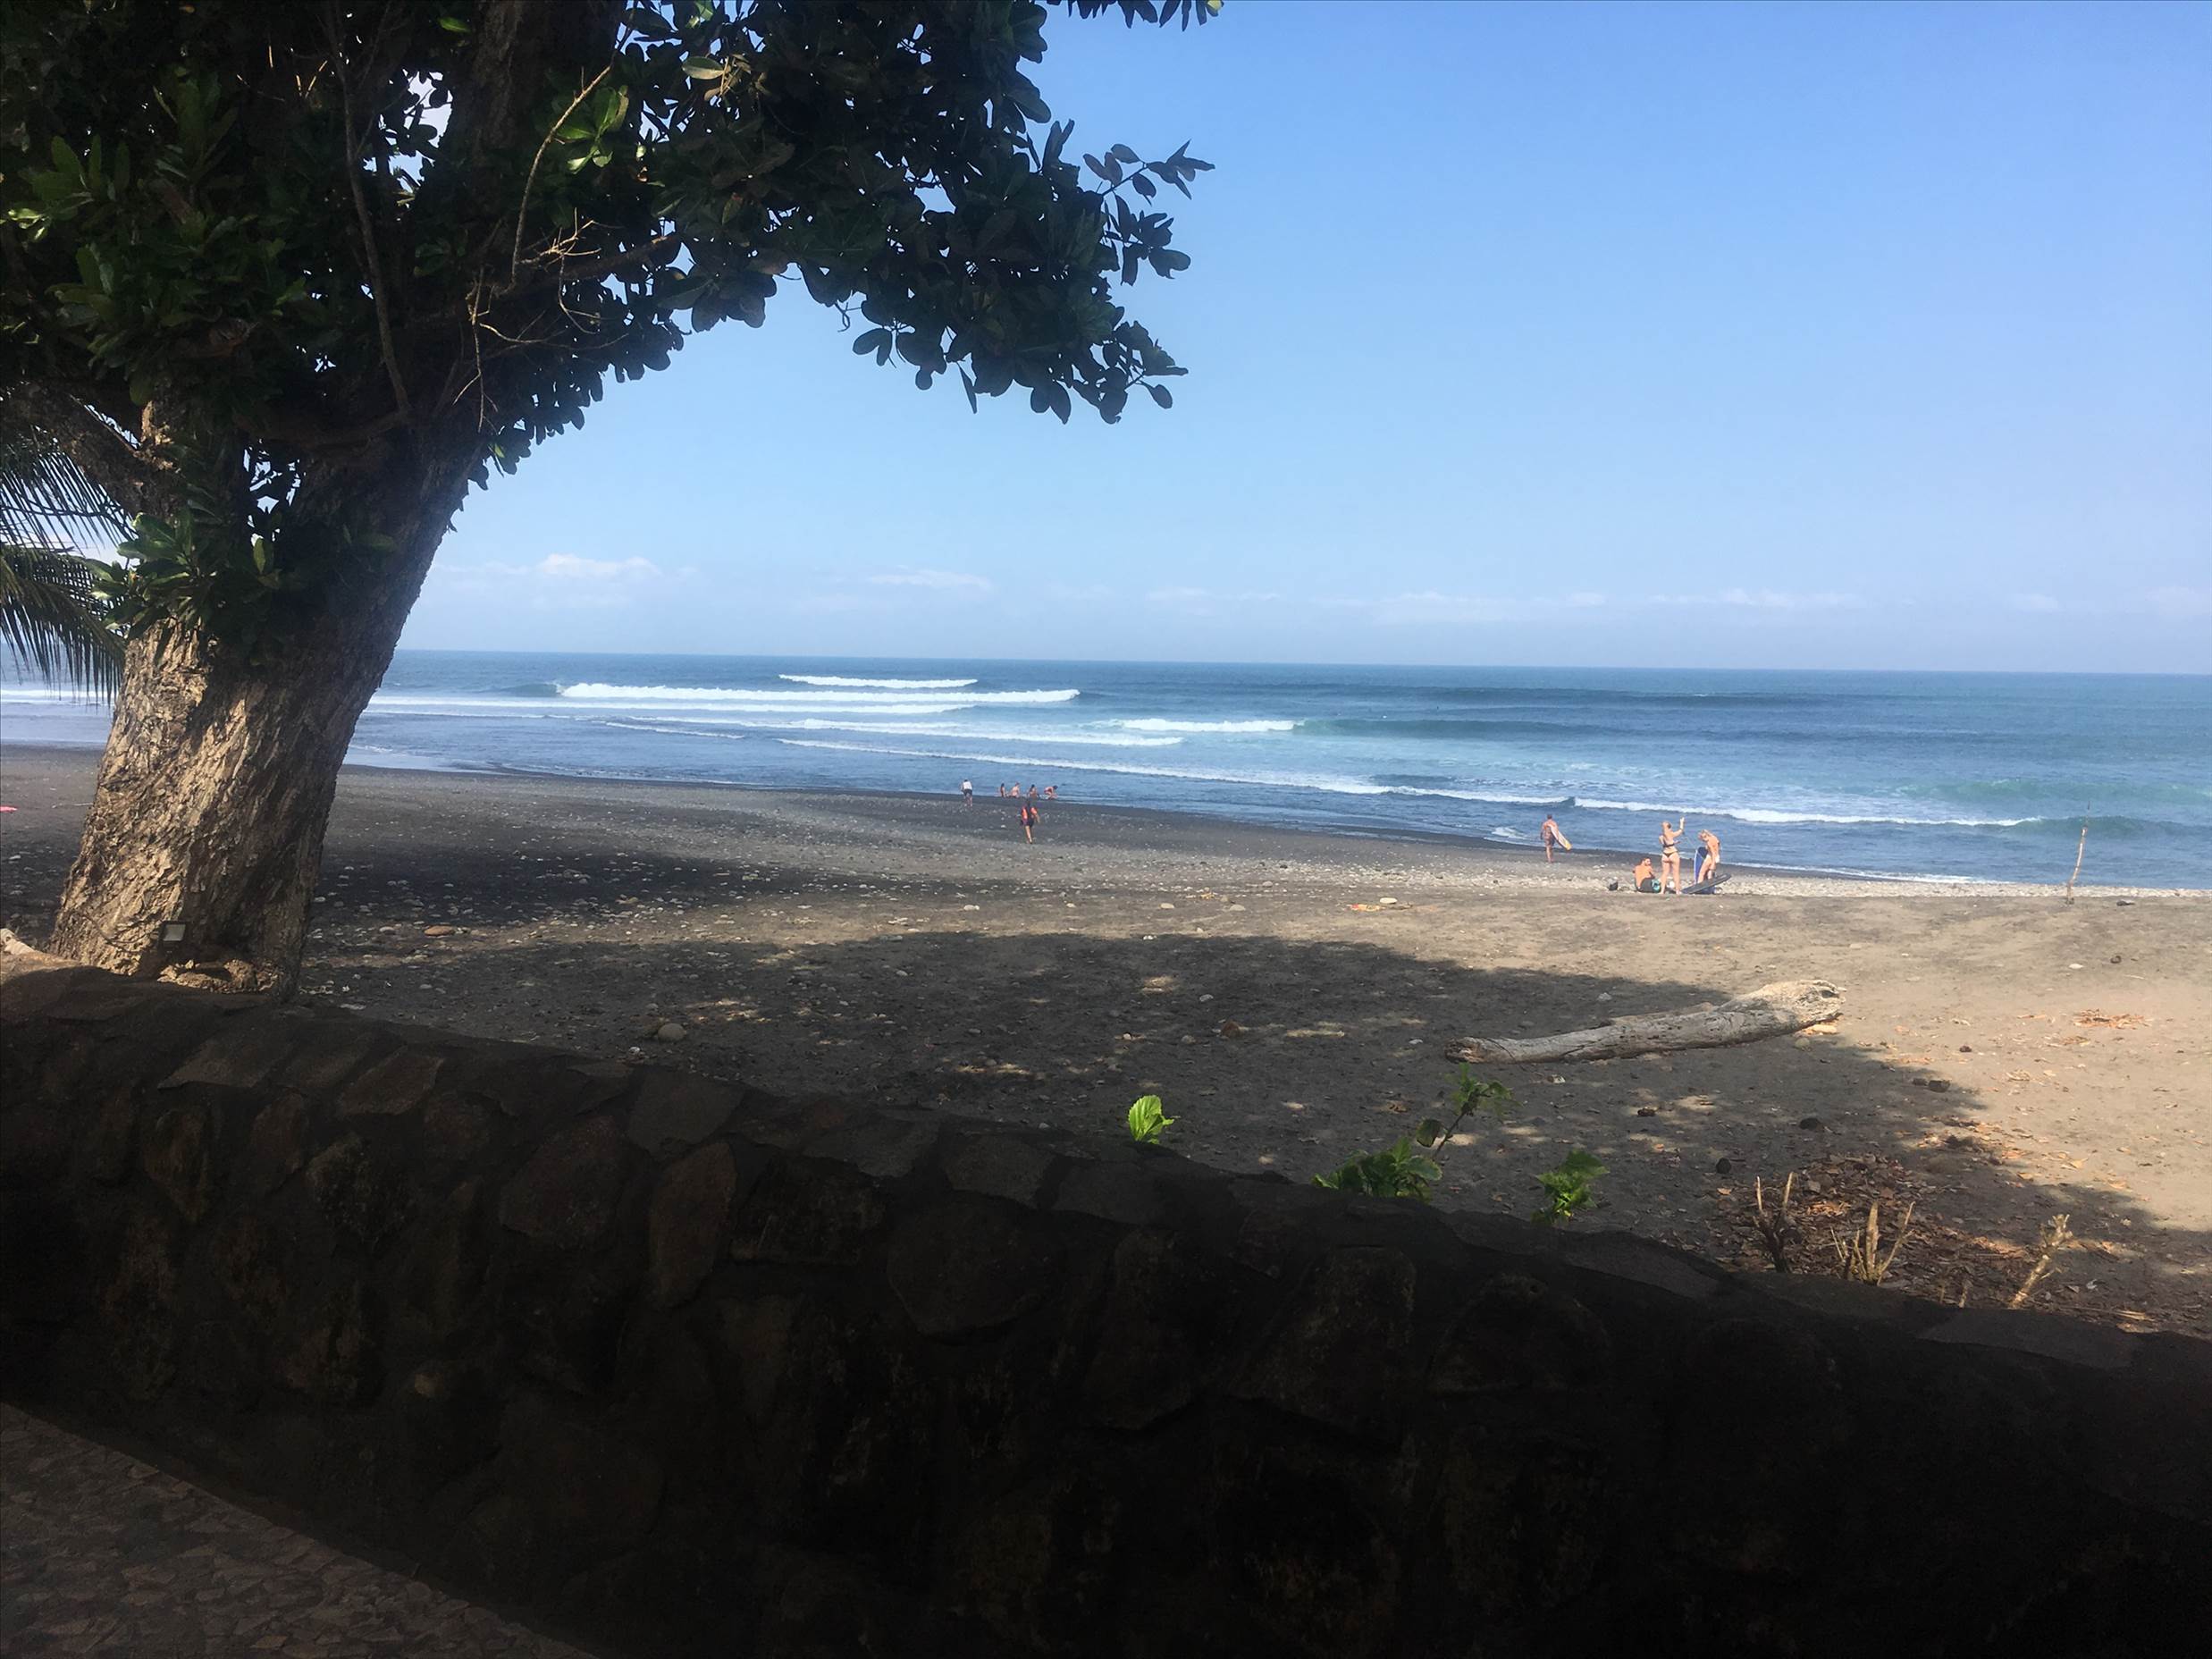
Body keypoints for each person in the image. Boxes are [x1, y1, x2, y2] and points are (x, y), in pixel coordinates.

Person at [1659, 813, 1686, 896]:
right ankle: (1677, 891)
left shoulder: (1661, 837)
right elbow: (1680, 830)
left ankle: (1662, 891)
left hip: (1665, 854)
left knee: (1664, 873)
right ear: (1669, 828)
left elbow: (1666, 844)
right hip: (1673, 854)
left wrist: (1674, 842)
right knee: (1676, 873)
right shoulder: (1670, 834)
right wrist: (1682, 823)